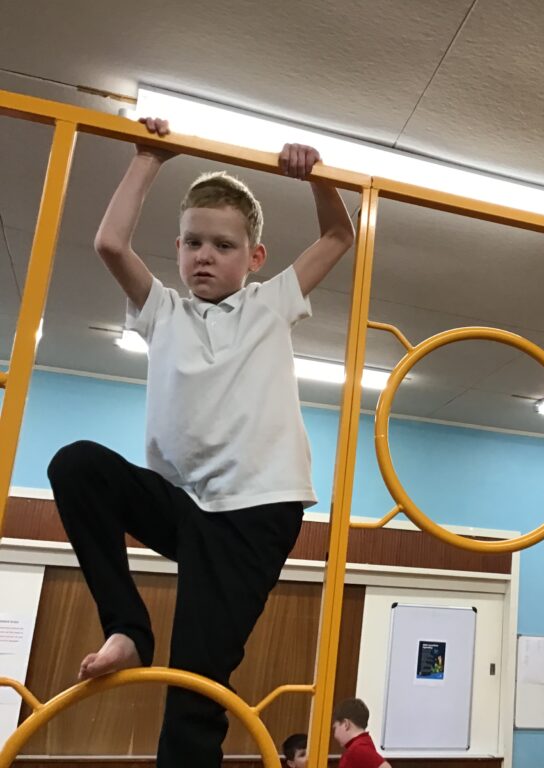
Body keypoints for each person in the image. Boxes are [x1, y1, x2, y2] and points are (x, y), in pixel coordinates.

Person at [46, 117, 355, 767]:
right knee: (76, 466)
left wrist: (317, 178)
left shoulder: (270, 304)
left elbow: (338, 235)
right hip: (187, 505)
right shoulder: (162, 311)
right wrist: (148, 158)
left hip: (254, 516)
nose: (204, 255)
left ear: (254, 258)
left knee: (195, 691)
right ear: (178, 248)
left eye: (222, 245)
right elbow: (109, 243)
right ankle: (128, 629)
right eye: (192, 243)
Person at [332, 698, 392, 768]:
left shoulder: (356, 750)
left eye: (335, 728)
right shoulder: (362, 745)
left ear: (346, 724)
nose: (335, 735)